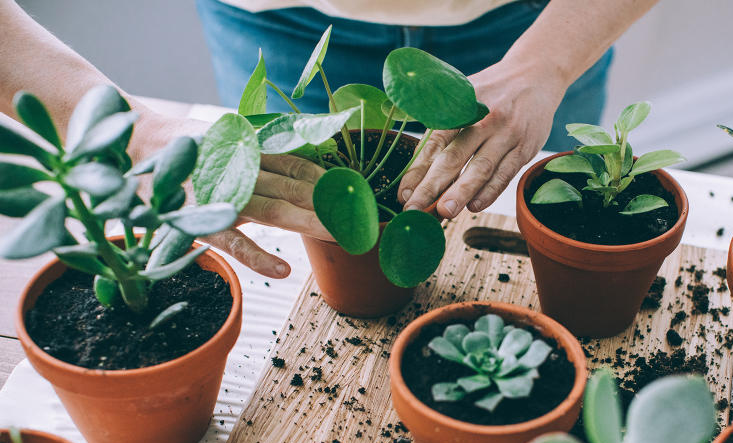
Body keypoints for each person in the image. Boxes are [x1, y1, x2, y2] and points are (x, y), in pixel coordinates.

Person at [0, 0, 658, 278]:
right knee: (306, 220)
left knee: (567, 234)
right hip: (278, 26)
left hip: (542, 25)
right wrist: (135, 133)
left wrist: (549, 61)